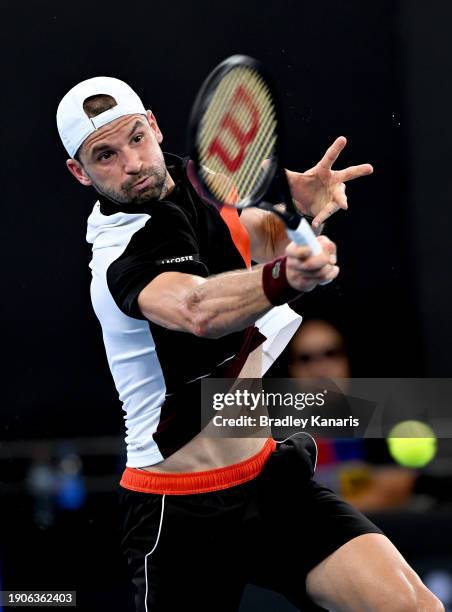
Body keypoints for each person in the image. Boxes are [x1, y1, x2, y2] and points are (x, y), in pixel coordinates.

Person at [56, 76, 443, 612]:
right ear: (80, 172)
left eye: (137, 138)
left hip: (268, 480)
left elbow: (250, 231)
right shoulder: (121, 254)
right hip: (178, 511)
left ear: (154, 125)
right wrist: (286, 277)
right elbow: (198, 310)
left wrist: (301, 210)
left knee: (415, 608)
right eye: (105, 155)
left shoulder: (198, 181)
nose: (133, 163)